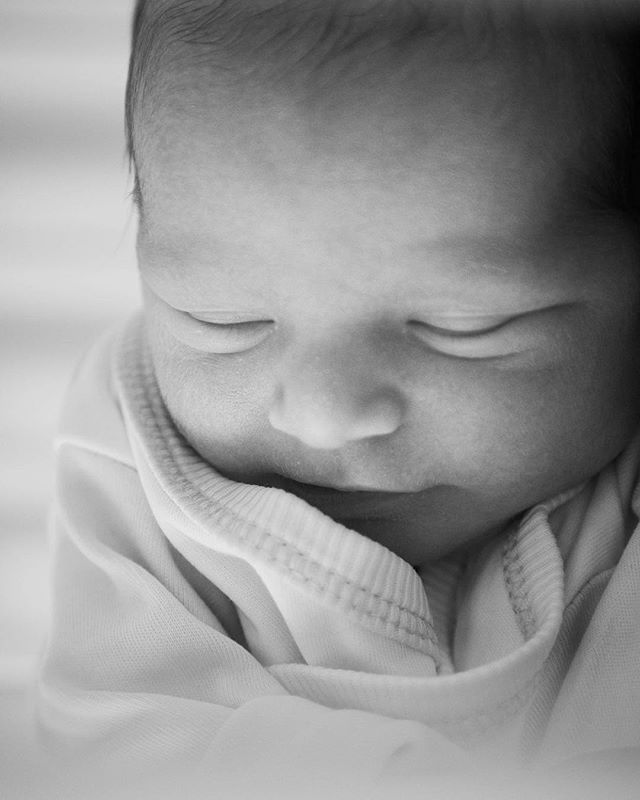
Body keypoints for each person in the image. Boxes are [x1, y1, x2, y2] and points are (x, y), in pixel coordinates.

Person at [36, 0, 640, 796]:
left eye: (464, 326)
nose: (322, 417)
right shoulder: (130, 440)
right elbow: (119, 741)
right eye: (223, 319)